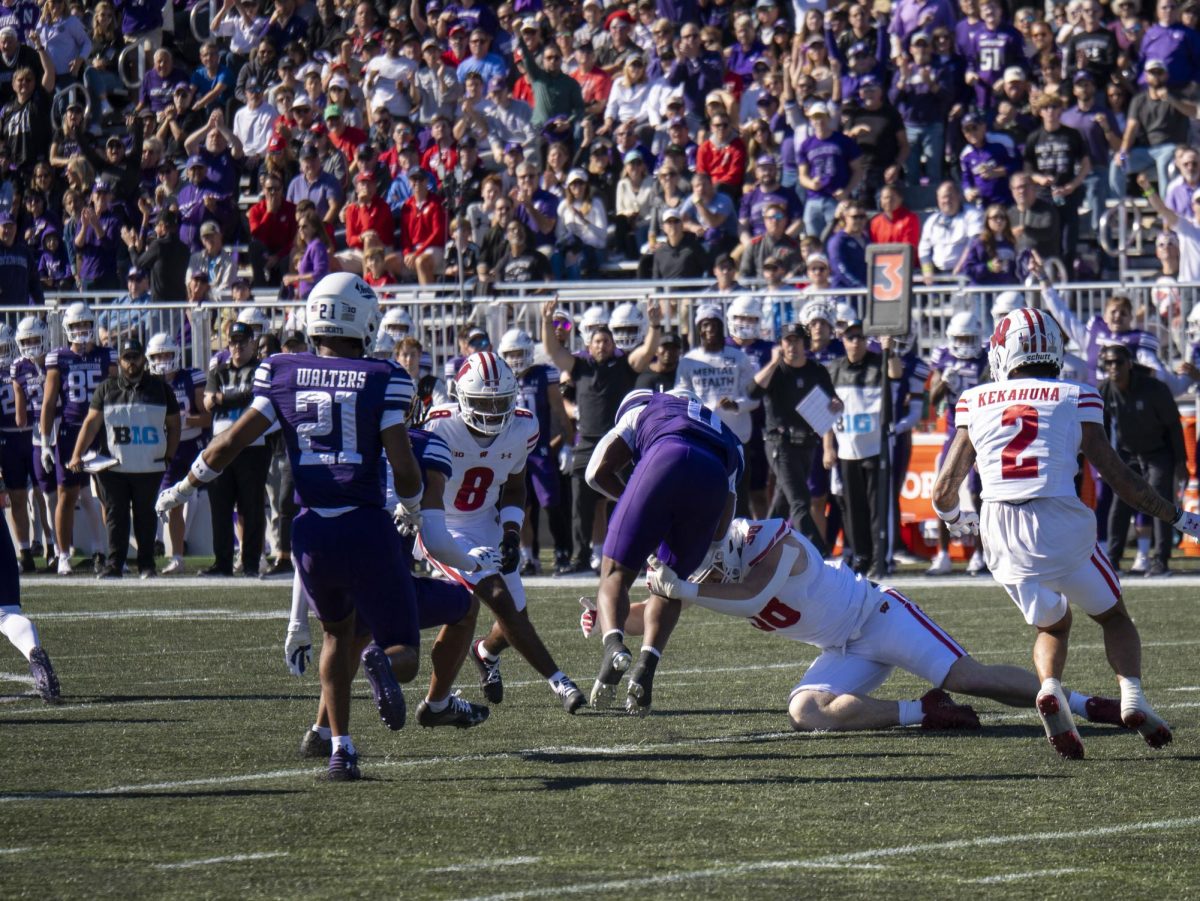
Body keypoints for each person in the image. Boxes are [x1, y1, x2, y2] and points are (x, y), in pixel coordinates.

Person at [158, 272, 426, 782]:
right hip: (365, 524)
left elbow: (226, 445)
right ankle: (381, 665)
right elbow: (403, 460)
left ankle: (340, 749)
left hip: (310, 532)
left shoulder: (282, 370)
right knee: (402, 645)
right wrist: (411, 506)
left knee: (334, 636)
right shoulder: (383, 377)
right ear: (360, 319)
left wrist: (184, 488)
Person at [931, 307, 1199, 758]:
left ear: (1004, 351)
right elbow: (1118, 477)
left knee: (1052, 625)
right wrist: (1179, 518)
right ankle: (1131, 695)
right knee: (1113, 616)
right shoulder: (1076, 394)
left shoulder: (974, 400)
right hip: (1057, 518)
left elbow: (942, 491)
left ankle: (1050, 687)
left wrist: (959, 521)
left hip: (999, 526)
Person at [641, 517, 1125, 735]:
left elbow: (755, 594)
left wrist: (682, 590)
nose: (704, 576)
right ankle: (923, 712)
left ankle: (1084, 704)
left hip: (879, 616)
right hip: (841, 646)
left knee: (969, 678)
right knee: (805, 712)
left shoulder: (774, 544)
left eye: (709, 565)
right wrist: (608, 619)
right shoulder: (718, 572)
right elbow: (658, 607)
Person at [289, 424, 488, 757]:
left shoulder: (336, 451)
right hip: (384, 573)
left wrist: (297, 622)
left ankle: (323, 734)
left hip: (329, 563)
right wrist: (473, 562)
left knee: (345, 635)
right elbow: (437, 541)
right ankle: (437, 704)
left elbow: (308, 534)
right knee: (464, 607)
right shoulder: (425, 447)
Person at [421, 351, 586, 714]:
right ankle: (560, 682)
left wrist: (512, 533)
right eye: (484, 402)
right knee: (498, 598)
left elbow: (514, 487)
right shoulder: (439, 425)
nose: (494, 411)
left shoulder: (523, 428)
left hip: (488, 524)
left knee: (515, 617)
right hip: (444, 526)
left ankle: (485, 651)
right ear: (462, 397)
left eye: (501, 401)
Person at [584, 388, 742, 715]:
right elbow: (721, 526)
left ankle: (614, 644)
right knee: (669, 583)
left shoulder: (644, 408)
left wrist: (637, 504)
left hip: (665, 457)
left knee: (615, 571)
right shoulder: (729, 435)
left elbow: (595, 473)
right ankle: (647, 667)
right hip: (712, 477)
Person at [539, 299, 663, 575]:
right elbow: (553, 351)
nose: (602, 345)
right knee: (580, 506)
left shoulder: (624, 364)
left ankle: (638, 555)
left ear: (613, 343)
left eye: (606, 341)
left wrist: (654, 324)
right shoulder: (580, 365)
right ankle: (581, 559)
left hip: (621, 443)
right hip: (586, 443)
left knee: (632, 500)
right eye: (597, 341)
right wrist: (547, 321)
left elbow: (648, 351)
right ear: (589, 343)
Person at [67, 337, 179, 579]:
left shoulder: (161, 388)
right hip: (114, 466)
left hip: (149, 466)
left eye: (135, 357)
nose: (131, 363)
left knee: (145, 517)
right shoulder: (106, 388)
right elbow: (91, 423)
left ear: (143, 359)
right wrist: (77, 454)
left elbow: (174, 424)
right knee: (116, 517)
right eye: (127, 358)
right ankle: (114, 565)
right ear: (119, 361)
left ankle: (147, 565)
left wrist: (169, 453)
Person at [823, 319, 904, 580]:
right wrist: (828, 447)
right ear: (843, 340)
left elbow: (896, 374)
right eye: (850, 337)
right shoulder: (834, 368)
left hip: (876, 446)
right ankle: (861, 556)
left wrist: (888, 351)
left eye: (860, 337)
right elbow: (826, 410)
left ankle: (883, 557)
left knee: (878, 508)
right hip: (847, 447)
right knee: (854, 509)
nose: (855, 342)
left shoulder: (877, 362)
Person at [1097, 344, 1186, 577]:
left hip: (1159, 453)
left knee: (1159, 503)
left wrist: (1180, 463)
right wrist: (1106, 464)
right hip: (1128, 454)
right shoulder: (1105, 390)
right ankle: (1113, 560)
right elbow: (1102, 430)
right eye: (1108, 363)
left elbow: (1174, 427)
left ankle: (1161, 561)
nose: (1114, 367)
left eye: (1118, 362)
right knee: (1120, 504)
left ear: (1129, 364)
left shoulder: (1154, 389)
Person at [749, 321, 838, 554]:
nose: (792, 346)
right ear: (780, 344)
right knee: (800, 500)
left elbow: (831, 406)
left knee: (783, 501)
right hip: (780, 442)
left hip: (807, 443)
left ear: (805, 343)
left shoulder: (816, 370)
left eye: (797, 340)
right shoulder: (775, 371)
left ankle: (757, 548)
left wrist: (836, 406)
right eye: (788, 340)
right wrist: (772, 362)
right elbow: (752, 392)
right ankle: (819, 553)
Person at [40, 301, 114, 576]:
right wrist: (46, 442)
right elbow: (48, 403)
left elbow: (117, 395)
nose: (82, 331)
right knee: (67, 495)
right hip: (71, 430)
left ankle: (109, 552)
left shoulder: (107, 355)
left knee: (108, 495)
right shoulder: (58, 358)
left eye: (85, 324)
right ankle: (62, 554)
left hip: (103, 430)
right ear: (67, 329)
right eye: (76, 326)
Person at [498, 328, 574, 577]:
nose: (516, 359)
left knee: (551, 504)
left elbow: (559, 412)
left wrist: (567, 443)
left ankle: (563, 553)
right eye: (511, 354)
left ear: (530, 352)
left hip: (540, 450)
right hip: (513, 451)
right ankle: (528, 556)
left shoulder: (544, 374)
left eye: (520, 353)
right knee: (523, 508)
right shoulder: (500, 378)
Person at [673, 304, 759, 513]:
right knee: (706, 492)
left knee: (740, 493)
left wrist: (736, 405)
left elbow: (754, 397)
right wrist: (703, 409)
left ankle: (741, 539)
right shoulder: (688, 361)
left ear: (722, 328)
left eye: (714, 325)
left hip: (737, 436)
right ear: (698, 330)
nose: (709, 330)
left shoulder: (739, 358)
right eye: (704, 325)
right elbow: (680, 397)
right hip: (704, 436)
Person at [926, 311, 989, 576]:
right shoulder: (943, 357)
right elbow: (933, 400)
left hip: (984, 429)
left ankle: (981, 553)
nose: (964, 343)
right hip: (956, 429)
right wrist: (943, 384)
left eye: (968, 338)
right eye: (960, 338)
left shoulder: (987, 356)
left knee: (979, 493)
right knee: (943, 488)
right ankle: (942, 553)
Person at [203, 321, 269, 576]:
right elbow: (208, 403)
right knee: (220, 506)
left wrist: (223, 399)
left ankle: (251, 562)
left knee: (251, 507)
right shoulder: (217, 371)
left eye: (242, 341)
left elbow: (257, 398)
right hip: (220, 447)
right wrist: (234, 398)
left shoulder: (261, 369)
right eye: (232, 341)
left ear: (253, 343)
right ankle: (222, 563)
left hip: (253, 446)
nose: (237, 346)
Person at [146, 333, 209, 575]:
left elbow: (207, 418)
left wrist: (187, 419)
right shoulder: (149, 383)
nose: (162, 360)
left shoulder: (191, 377)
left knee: (214, 499)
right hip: (166, 448)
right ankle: (177, 556)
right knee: (170, 503)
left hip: (193, 446)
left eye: (166, 355)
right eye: (157, 356)